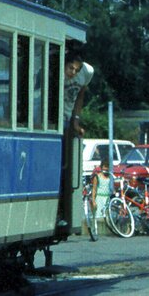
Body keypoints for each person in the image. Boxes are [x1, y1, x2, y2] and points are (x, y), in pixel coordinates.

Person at [58, 50, 95, 231]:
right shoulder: (56, 72)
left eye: (76, 70)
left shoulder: (87, 72)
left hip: (67, 119)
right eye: (70, 68)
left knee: (67, 166)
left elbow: (81, 95)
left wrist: (76, 120)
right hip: (56, 119)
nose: (73, 73)